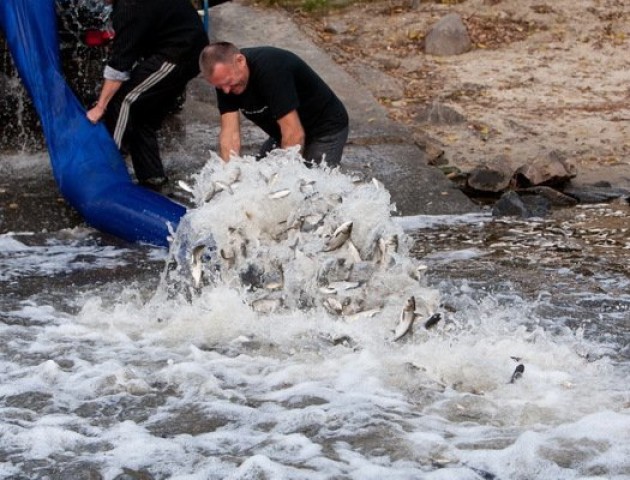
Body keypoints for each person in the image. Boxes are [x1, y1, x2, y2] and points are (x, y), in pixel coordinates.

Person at [86, 0, 227, 191]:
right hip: (187, 47)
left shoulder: (129, 7)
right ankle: (152, 177)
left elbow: (120, 65)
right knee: (143, 114)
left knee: (123, 100)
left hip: (179, 52)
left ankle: (106, 170)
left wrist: (100, 107)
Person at [199, 41, 349, 167]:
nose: (226, 91)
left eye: (228, 83)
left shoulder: (271, 69)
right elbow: (229, 134)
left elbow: (294, 134)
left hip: (324, 129)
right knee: (256, 180)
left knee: (309, 191)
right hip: (282, 131)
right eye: (220, 87)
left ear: (240, 61)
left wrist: (283, 179)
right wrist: (228, 173)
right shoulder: (225, 81)